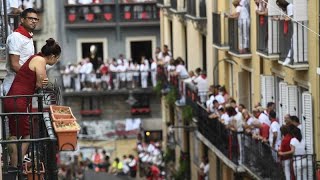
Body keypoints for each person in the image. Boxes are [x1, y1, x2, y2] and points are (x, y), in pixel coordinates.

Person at [4, 38, 61, 167]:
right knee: (27, 134)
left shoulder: (35, 58)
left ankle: (13, 167)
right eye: (57, 58)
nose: (56, 61)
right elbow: (40, 83)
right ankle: (18, 164)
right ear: (52, 56)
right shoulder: (40, 60)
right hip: (19, 100)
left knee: (14, 134)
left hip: (12, 99)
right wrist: (43, 80)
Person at [3, 8, 39, 95]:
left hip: (23, 85)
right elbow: (14, 65)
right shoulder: (16, 37)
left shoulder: (28, 36)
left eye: (36, 19)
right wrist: (32, 77)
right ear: (22, 20)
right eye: (30, 18)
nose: (34, 21)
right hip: (13, 86)